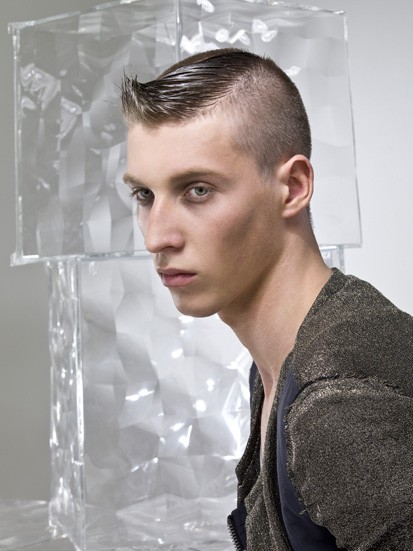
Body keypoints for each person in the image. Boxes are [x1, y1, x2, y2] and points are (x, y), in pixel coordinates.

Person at [120, 48, 413, 550]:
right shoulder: (292, 356)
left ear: (293, 187)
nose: (156, 237)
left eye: (197, 190)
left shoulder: (335, 402)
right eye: (144, 195)